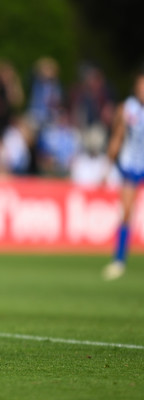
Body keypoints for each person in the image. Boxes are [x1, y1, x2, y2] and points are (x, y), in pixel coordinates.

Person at [102, 71, 144, 280]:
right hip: (131, 165)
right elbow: (117, 137)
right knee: (126, 212)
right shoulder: (127, 109)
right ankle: (119, 260)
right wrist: (107, 167)